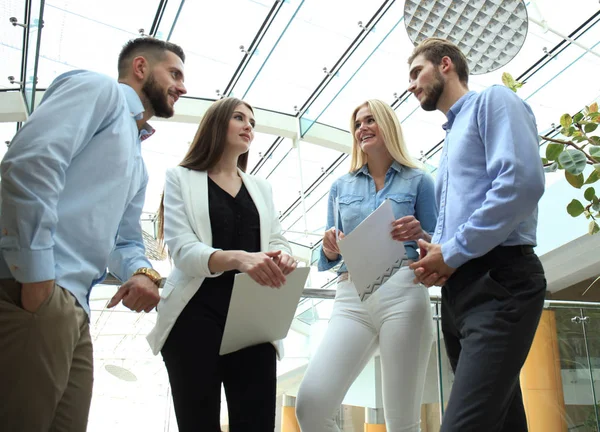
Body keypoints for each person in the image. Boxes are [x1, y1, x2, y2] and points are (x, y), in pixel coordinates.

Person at [0, 37, 186, 431]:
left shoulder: (138, 162)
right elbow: (31, 164)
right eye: (174, 73)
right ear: (140, 68)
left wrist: (141, 271)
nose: (182, 87)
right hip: (34, 290)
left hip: (74, 310)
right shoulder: (98, 90)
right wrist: (37, 279)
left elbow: (126, 240)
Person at [407, 38, 547, 432]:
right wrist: (434, 248)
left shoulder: (494, 101)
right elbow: (462, 221)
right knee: (502, 423)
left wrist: (451, 251)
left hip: (500, 282)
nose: (411, 84)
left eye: (417, 72)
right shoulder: (448, 141)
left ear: (445, 64)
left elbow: (520, 182)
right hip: (460, 294)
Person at [146, 97, 297, 431]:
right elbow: (183, 250)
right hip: (194, 316)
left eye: (252, 122)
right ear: (216, 125)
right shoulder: (180, 178)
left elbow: (277, 239)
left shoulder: (261, 187)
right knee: (198, 423)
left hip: (252, 319)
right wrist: (237, 259)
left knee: (256, 422)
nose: (249, 127)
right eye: (239, 118)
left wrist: (282, 255)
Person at [295, 99, 437, 432]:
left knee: (402, 421)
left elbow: (438, 246)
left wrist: (420, 233)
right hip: (351, 296)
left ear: (387, 125)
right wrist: (329, 247)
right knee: (311, 405)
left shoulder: (419, 180)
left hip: (403, 291)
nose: (363, 128)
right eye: (358, 124)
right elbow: (328, 252)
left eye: (371, 120)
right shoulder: (339, 186)